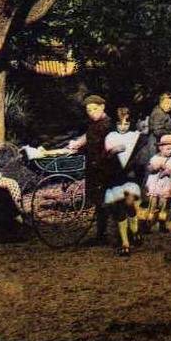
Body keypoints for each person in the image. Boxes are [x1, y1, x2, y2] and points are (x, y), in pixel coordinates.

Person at [66, 95, 113, 242]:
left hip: (104, 166)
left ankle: (106, 233)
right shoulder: (94, 123)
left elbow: (104, 145)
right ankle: (101, 233)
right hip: (93, 164)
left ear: (102, 107)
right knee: (98, 200)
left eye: (94, 109)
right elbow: (88, 137)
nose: (91, 112)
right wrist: (77, 144)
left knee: (105, 199)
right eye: (88, 110)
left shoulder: (108, 124)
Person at [104, 107, 143, 256]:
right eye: (120, 124)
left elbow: (140, 157)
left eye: (126, 124)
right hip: (115, 176)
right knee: (120, 207)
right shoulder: (110, 137)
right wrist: (112, 152)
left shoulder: (135, 136)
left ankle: (135, 230)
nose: (123, 127)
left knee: (129, 203)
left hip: (130, 175)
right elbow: (105, 157)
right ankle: (125, 242)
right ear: (115, 123)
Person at [144, 132, 171, 233]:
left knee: (164, 205)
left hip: (166, 187)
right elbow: (150, 168)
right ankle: (148, 224)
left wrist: (168, 171)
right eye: (168, 149)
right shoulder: (155, 158)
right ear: (161, 148)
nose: (170, 151)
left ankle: (162, 223)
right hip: (155, 186)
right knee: (153, 205)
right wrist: (157, 166)